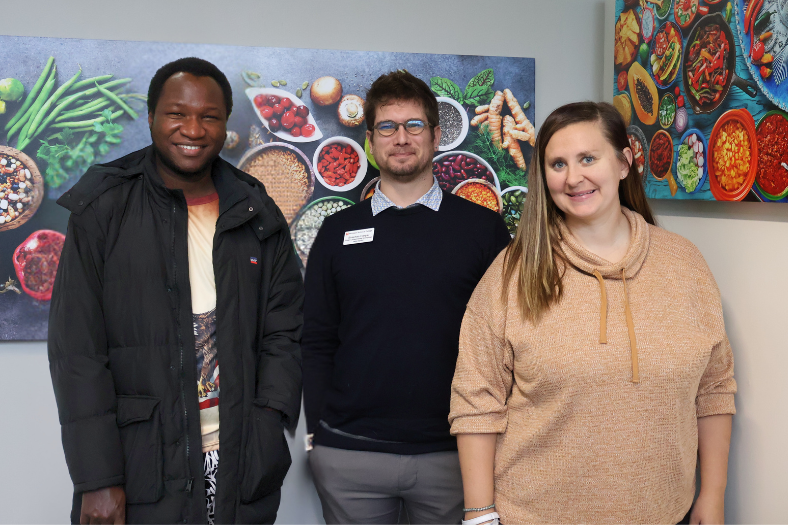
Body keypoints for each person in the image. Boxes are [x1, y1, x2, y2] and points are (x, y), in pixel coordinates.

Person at [449, 101, 736, 525]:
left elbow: (714, 389)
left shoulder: (685, 263)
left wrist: (712, 494)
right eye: (557, 164)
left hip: (665, 514)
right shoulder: (514, 271)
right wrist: (479, 515)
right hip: (535, 517)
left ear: (624, 163)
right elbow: (476, 401)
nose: (573, 177)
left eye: (588, 158)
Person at [47, 57, 303, 525]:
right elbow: (76, 351)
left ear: (226, 124)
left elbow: (284, 327)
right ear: (151, 118)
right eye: (176, 114)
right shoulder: (104, 205)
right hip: (141, 464)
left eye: (209, 116)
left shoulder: (254, 207)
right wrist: (97, 479)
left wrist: (269, 421)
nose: (193, 129)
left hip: (241, 460)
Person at [301, 70, 511, 524]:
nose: (401, 138)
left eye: (414, 125)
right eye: (387, 127)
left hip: (456, 454)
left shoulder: (482, 228)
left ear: (436, 136)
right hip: (350, 455)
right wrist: (317, 432)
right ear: (371, 140)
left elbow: (509, 338)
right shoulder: (337, 230)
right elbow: (316, 337)